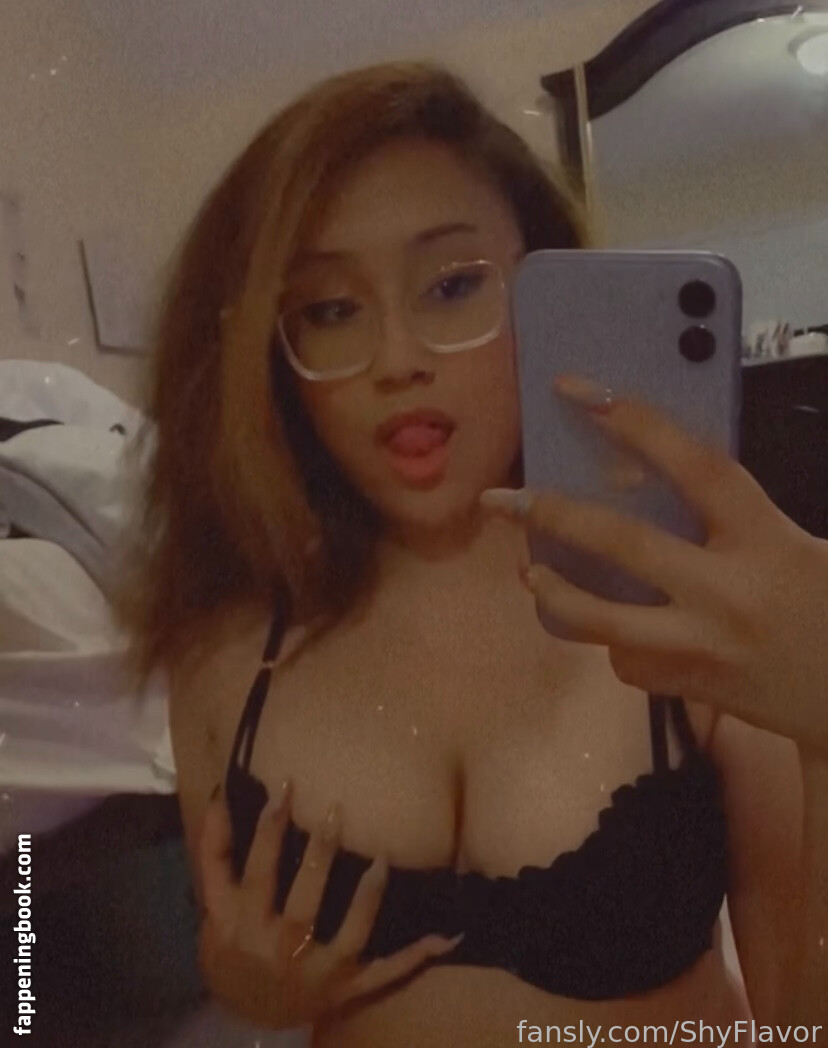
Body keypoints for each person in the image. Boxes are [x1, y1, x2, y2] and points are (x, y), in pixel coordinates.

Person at [120, 62, 828, 1047]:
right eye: (330, 309)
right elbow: (231, 939)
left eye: (453, 286)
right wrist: (244, 982)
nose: (397, 358)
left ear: (546, 292)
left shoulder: (684, 603)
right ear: (265, 353)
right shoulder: (223, 654)